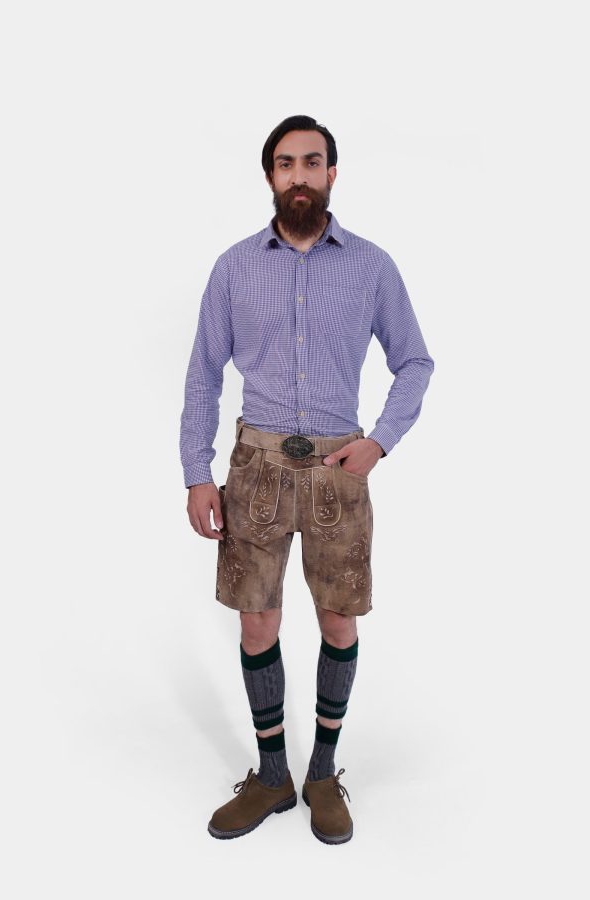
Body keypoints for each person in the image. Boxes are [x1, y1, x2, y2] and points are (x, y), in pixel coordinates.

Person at [179, 115, 434, 844]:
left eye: (312, 162)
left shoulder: (372, 267)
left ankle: (322, 773)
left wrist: (379, 442)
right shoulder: (234, 268)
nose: (299, 175)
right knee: (256, 620)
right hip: (254, 472)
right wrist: (197, 473)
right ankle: (272, 776)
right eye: (286, 163)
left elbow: (414, 361)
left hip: (336, 475)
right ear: (271, 176)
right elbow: (203, 373)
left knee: (337, 619)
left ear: (331, 174)